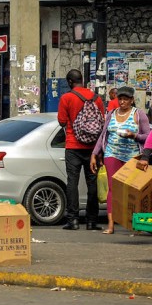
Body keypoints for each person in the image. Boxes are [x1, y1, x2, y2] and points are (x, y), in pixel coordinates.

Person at [91, 86, 149, 234]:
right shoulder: (111, 114)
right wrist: (94, 154)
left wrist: (133, 136)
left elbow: (148, 137)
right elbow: (104, 134)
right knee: (112, 188)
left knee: (134, 190)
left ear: (131, 100)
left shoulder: (139, 114)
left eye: (125, 99)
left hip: (132, 156)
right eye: (120, 99)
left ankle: (136, 225)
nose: (122, 102)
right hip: (112, 153)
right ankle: (111, 225)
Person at [57, 68, 105, 230]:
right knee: (92, 183)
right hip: (93, 148)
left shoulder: (66, 98)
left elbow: (62, 121)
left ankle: (73, 220)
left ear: (70, 82)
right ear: (82, 80)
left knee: (72, 183)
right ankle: (92, 221)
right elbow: (102, 122)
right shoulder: (96, 98)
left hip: (73, 146)